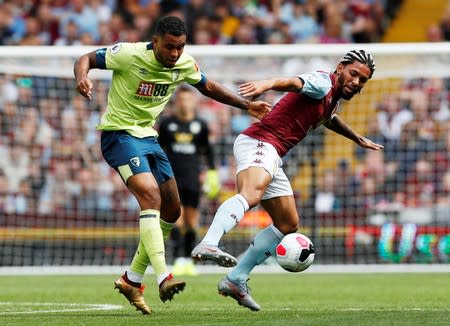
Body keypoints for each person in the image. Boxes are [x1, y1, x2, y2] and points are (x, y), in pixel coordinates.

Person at [73, 16, 270, 315]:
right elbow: (85, 58)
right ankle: (164, 275)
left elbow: (209, 87)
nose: (174, 54)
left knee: (172, 210)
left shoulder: (183, 64)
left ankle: (131, 279)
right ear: (155, 42)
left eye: (180, 47)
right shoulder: (128, 54)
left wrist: (247, 105)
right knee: (150, 197)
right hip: (120, 135)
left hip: (149, 138)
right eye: (169, 47)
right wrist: (82, 77)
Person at [191, 49, 384, 311]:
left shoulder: (331, 99)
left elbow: (329, 118)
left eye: (363, 80)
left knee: (287, 223)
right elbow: (296, 82)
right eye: (354, 74)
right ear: (340, 67)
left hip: (274, 153)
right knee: (251, 195)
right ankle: (210, 243)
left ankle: (236, 278)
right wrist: (267, 83)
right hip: (259, 142)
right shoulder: (322, 82)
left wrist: (356, 137)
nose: (356, 83)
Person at [158, 85, 220, 276]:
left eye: (188, 99)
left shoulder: (200, 125)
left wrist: (212, 173)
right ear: (176, 101)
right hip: (172, 178)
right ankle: (178, 260)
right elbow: (159, 150)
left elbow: (207, 151)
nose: (185, 103)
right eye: (182, 99)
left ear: (194, 101)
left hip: (193, 178)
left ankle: (189, 260)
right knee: (176, 219)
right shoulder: (167, 124)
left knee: (192, 222)